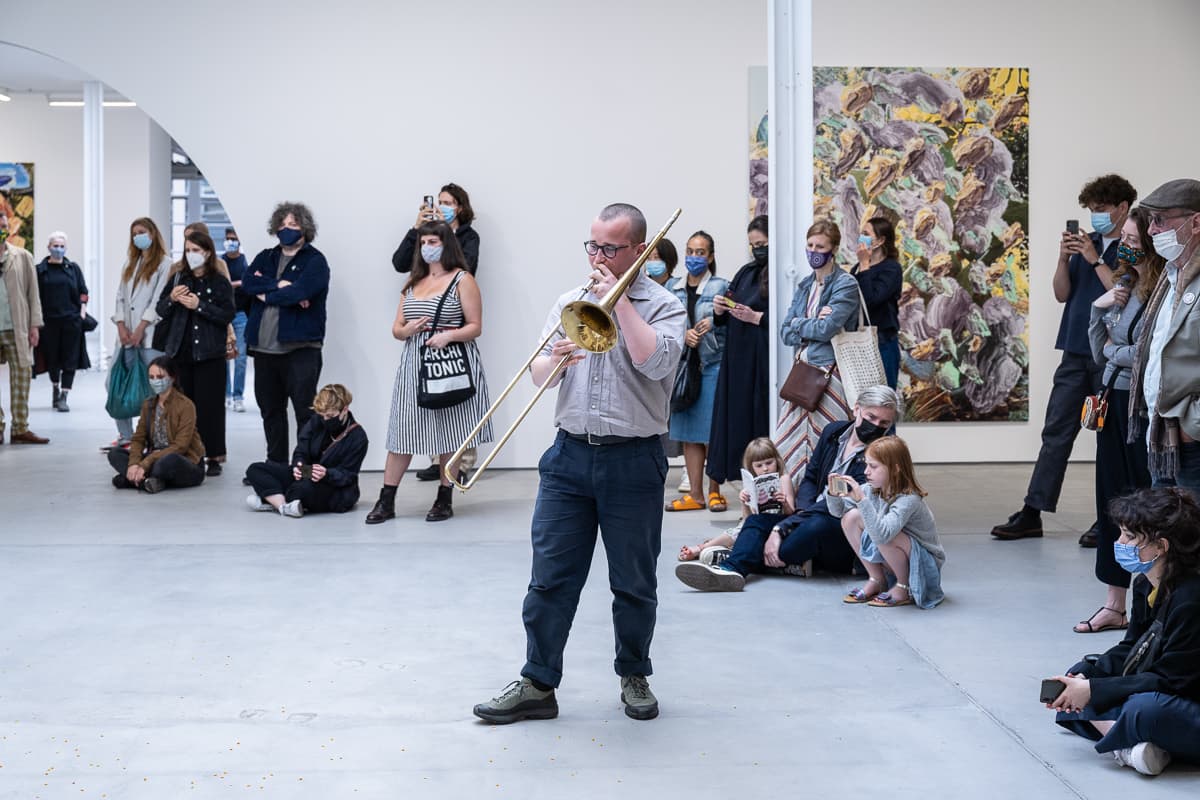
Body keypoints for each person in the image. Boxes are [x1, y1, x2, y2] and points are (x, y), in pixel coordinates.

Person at [473, 203, 686, 725]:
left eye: (610, 248)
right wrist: (556, 356)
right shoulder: (569, 301)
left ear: (639, 251)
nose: (598, 257)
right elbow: (538, 377)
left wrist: (618, 304)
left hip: (634, 459)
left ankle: (634, 674)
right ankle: (537, 681)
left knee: (633, 581)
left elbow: (654, 361)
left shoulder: (664, 305)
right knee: (549, 578)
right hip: (568, 456)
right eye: (592, 246)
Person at [992, 175, 1136, 542]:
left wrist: (1093, 259)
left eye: (1101, 210)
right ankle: (1032, 511)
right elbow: (1061, 294)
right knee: (1056, 431)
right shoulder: (1087, 244)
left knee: (1110, 439)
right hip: (1074, 348)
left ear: (1122, 207)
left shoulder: (1134, 247)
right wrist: (1063, 258)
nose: (1095, 217)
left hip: (1111, 354)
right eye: (1091, 211)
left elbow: (1123, 294)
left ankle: (1110, 518)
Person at [676, 385, 899, 592]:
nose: (876, 426)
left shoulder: (882, 454)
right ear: (856, 409)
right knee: (756, 521)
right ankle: (731, 570)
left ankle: (742, 555)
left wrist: (781, 528)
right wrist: (798, 513)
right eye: (871, 417)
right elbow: (811, 478)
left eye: (884, 424)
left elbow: (841, 505)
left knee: (801, 536)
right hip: (807, 515)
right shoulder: (834, 432)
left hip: (839, 528)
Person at [1048, 487, 1200, 776]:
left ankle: (1124, 743)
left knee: (1144, 709)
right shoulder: (1147, 583)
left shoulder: (1192, 598)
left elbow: (1173, 682)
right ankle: (1131, 747)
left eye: (1129, 537)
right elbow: (1132, 647)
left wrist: (1095, 692)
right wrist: (1089, 680)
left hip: (1185, 696)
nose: (1120, 542)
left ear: (1161, 546)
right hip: (1167, 688)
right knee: (1080, 675)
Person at [366, 221, 492, 524]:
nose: (426, 247)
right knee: (403, 432)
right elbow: (397, 328)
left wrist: (448, 335)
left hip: (451, 363)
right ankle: (387, 499)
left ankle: (444, 496)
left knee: (450, 432)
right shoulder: (413, 283)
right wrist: (406, 330)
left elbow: (475, 326)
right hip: (414, 365)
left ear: (446, 244)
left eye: (433, 241)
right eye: (423, 242)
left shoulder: (463, 279)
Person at [1079, 207, 1162, 634]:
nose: (1124, 244)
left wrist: (1113, 351)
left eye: (1131, 238)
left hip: (1143, 408)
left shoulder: (1164, 290)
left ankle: (1150, 602)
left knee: (1145, 502)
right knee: (1111, 500)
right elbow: (1100, 349)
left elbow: (1147, 354)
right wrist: (1098, 309)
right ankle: (1114, 602)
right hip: (1113, 402)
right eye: (1125, 237)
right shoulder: (1125, 285)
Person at [394, 183, 483, 484]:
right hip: (422, 340)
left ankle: (459, 467)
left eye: (449, 202)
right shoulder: (423, 240)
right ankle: (437, 460)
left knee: (457, 403)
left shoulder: (468, 239)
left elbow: (465, 268)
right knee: (428, 400)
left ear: (460, 206)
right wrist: (416, 229)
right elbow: (399, 264)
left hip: (453, 326)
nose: (443, 206)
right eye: (440, 201)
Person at [1128, 179, 1200, 500]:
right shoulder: (1170, 278)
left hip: (1189, 443)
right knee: (1169, 544)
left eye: (1160, 220)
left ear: (1195, 222)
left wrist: (1193, 425)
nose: (1152, 231)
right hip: (1163, 441)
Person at [242, 202, 330, 464]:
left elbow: (301, 292)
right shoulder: (265, 257)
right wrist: (278, 286)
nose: (286, 229)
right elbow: (248, 283)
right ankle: (276, 464)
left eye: (292, 225)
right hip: (264, 349)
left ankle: (304, 464)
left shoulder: (315, 261)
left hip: (300, 349)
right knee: (271, 411)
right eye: (282, 225)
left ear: (305, 228)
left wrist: (266, 294)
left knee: (305, 411)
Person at [775, 219, 862, 483]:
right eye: (810, 245)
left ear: (833, 249)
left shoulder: (845, 284)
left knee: (827, 441)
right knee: (787, 440)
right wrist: (811, 322)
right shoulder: (805, 284)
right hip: (804, 372)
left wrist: (801, 323)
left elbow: (827, 329)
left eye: (820, 246)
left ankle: (827, 501)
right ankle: (794, 498)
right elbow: (785, 332)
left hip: (831, 376)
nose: (813, 251)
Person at [153, 228, 236, 476]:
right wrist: (172, 299)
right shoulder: (179, 278)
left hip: (210, 353)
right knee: (184, 406)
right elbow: (160, 308)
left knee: (210, 406)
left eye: (196, 250)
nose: (191, 255)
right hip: (181, 352)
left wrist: (200, 306)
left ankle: (214, 456)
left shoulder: (219, 280)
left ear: (208, 252)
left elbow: (227, 314)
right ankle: (191, 453)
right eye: (188, 250)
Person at [829, 435, 944, 608]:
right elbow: (838, 513)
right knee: (850, 518)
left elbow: (882, 536)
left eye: (873, 466)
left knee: (887, 534)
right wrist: (833, 494)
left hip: (923, 566)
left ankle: (903, 587)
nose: (866, 471)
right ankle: (876, 579)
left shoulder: (909, 499)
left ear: (895, 469)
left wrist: (861, 500)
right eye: (866, 464)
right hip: (894, 556)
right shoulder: (871, 489)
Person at [665, 231, 730, 512]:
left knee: (712, 432)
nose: (694, 257)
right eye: (690, 251)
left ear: (711, 256)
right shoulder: (672, 288)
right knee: (690, 433)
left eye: (700, 252)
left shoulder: (723, 287)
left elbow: (732, 325)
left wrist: (713, 323)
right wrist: (684, 336)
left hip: (712, 366)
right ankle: (695, 493)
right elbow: (663, 325)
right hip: (683, 369)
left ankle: (715, 491)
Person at [706, 215, 770, 489]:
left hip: (763, 362)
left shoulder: (779, 274)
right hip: (738, 361)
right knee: (738, 422)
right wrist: (720, 309)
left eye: (762, 243)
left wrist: (757, 317)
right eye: (753, 244)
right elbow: (730, 307)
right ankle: (746, 482)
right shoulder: (746, 272)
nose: (757, 249)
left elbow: (785, 320)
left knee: (760, 420)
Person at [245, 383, 368, 517]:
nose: (325, 420)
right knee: (255, 469)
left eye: (330, 416)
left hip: (333, 485)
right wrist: (299, 466)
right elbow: (301, 450)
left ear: (345, 409)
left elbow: (348, 474)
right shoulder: (316, 421)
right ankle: (283, 506)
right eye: (322, 415)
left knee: (301, 489)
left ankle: (270, 497)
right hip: (307, 473)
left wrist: (326, 474)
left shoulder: (358, 437)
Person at [109, 217, 173, 450]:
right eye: (134, 233)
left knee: (156, 388)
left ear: (153, 234)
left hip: (149, 336)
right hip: (125, 336)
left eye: (142, 232)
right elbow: (120, 297)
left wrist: (140, 329)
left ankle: (158, 437)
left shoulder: (165, 263)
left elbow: (158, 299)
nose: (138, 237)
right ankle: (126, 436)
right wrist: (121, 325)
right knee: (114, 383)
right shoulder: (130, 263)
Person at [677, 436, 793, 563]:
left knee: (742, 534)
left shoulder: (783, 479)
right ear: (752, 467)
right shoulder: (752, 484)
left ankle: (710, 549)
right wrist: (744, 503)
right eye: (759, 465)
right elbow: (747, 519)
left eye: (769, 463)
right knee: (738, 531)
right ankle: (705, 548)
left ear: (777, 460)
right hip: (756, 524)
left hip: (776, 524)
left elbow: (791, 513)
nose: (765, 468)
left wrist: (784, 502)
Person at [107, 355, 205, 492]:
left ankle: (135, 480)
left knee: (168, 461)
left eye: (160, 377)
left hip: (183, 461)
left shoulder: (186, 405)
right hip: (154, 460)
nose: (155, 381)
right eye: (151, 377)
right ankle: (150, 481)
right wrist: (134, 464)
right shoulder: (148, 404)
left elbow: (180, 446)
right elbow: (138, 438)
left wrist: (146, 463)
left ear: (172, 377)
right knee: (115, 453)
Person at [0, 208, 48, 444]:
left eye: (3, 223)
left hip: (16, 327)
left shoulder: (22, 256)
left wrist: (34, 325)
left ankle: (20, 428)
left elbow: (33, 294)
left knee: (21, 378)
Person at [35, 231, 89, 413]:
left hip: (71, 321)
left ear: (66, 248)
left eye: (61, 246)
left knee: (70, 358)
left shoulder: (73, 269)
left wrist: (82, 311)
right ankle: (55, 388)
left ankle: (64, 396)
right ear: (49, 247)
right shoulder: (40, 270)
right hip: (48, 321)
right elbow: (33, 296)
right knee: (52, 358)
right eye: (55, 246)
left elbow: (83, 291)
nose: (58, 249)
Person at [852, 216, 903, 388]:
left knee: (881, 399)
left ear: (880, 240)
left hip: (882, 343)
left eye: (866, 234)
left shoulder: (891, 269)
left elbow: (870, 300)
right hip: (859, 342)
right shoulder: (857, 268)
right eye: (861, 233)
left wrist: (864, 263)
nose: (861, 237)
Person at [222, 226, 251, 413]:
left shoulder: (244, 263)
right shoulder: (220, 262)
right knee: (224, 357)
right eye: (228, 238)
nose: (230, 242)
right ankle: (226, 394)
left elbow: (249, 285)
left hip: (240, 315)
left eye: (233, 239)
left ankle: (238, 396)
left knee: (240, 358)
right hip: (224, 316)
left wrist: (237, 284)